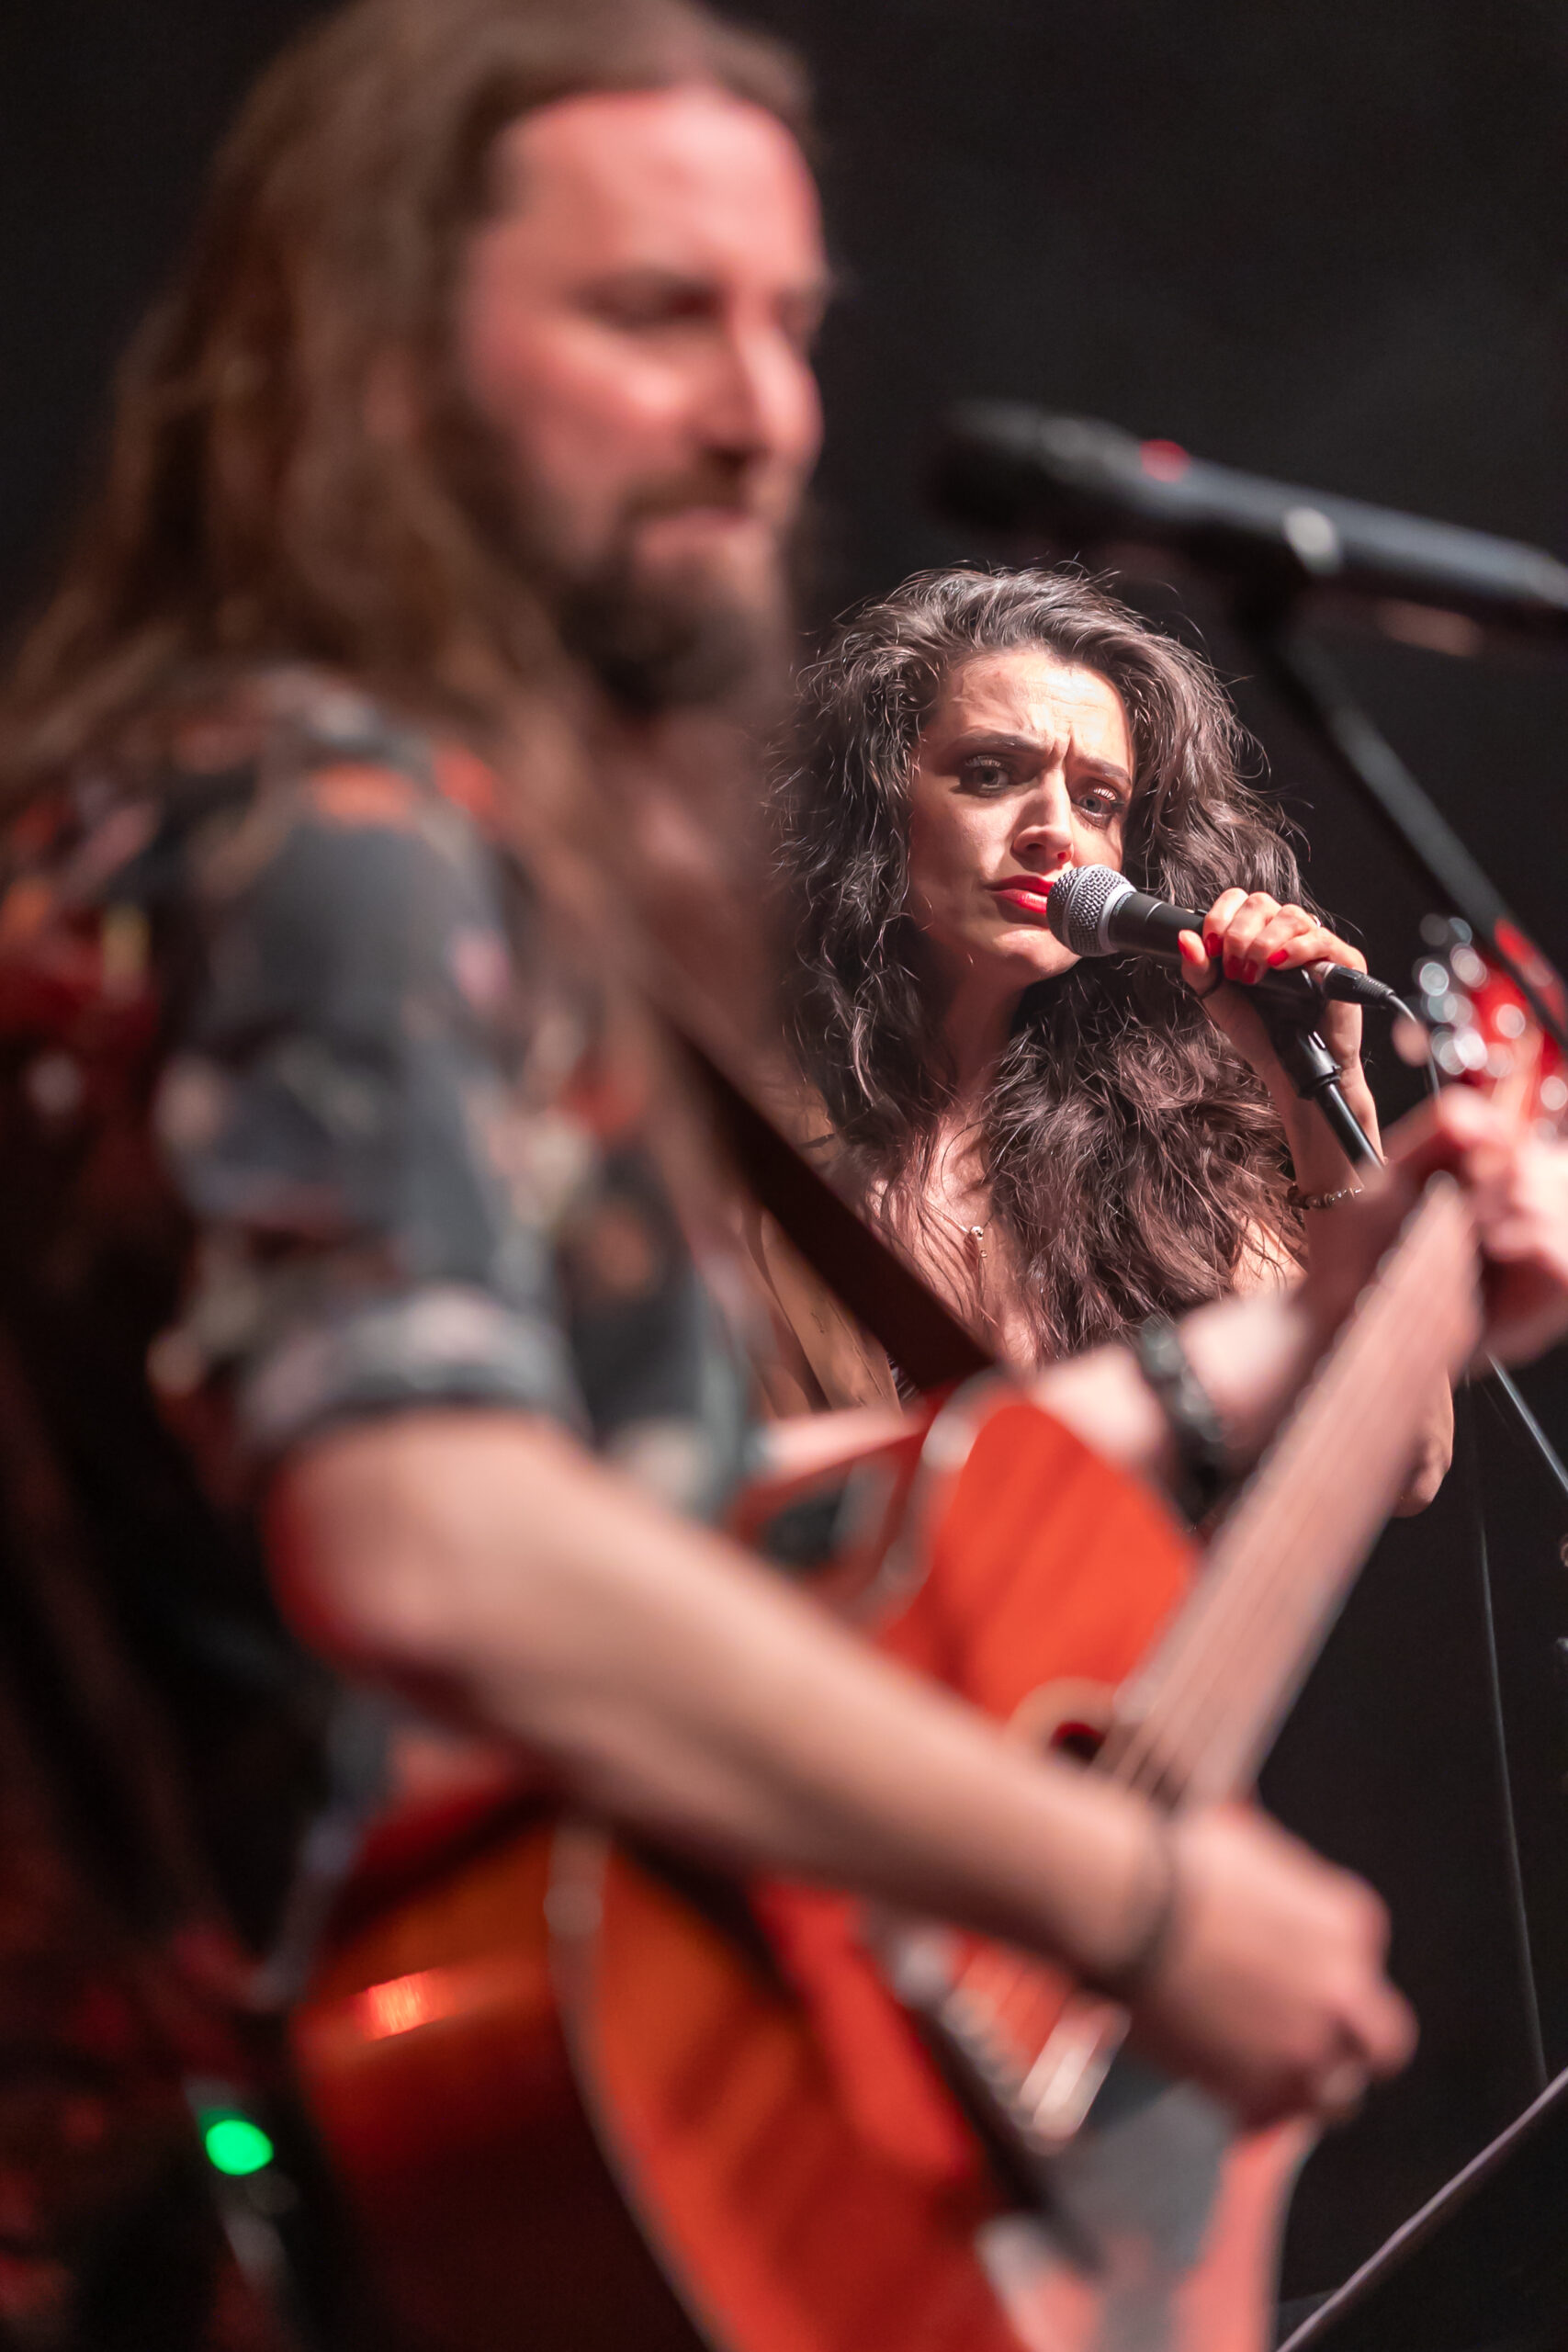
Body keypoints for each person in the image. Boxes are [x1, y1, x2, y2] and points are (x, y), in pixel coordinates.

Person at [0, 0, 1514, 2174]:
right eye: (651, 315)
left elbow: (659, 1515)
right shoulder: (327, 827)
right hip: (268, 2165)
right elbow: (443, 1537)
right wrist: (1124, 1891)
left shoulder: (355, 829)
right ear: (369, 358)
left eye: (788, 329)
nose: (759, 417)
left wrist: (1278, 1346)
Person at [784, 564, 1453, 1504]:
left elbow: (1408, 1456)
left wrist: (1320, 1087)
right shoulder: (749, 1123)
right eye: (990, 774)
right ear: (877, 808)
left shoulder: (1163, 1163)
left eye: (1098, 800)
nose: (1053, 831)